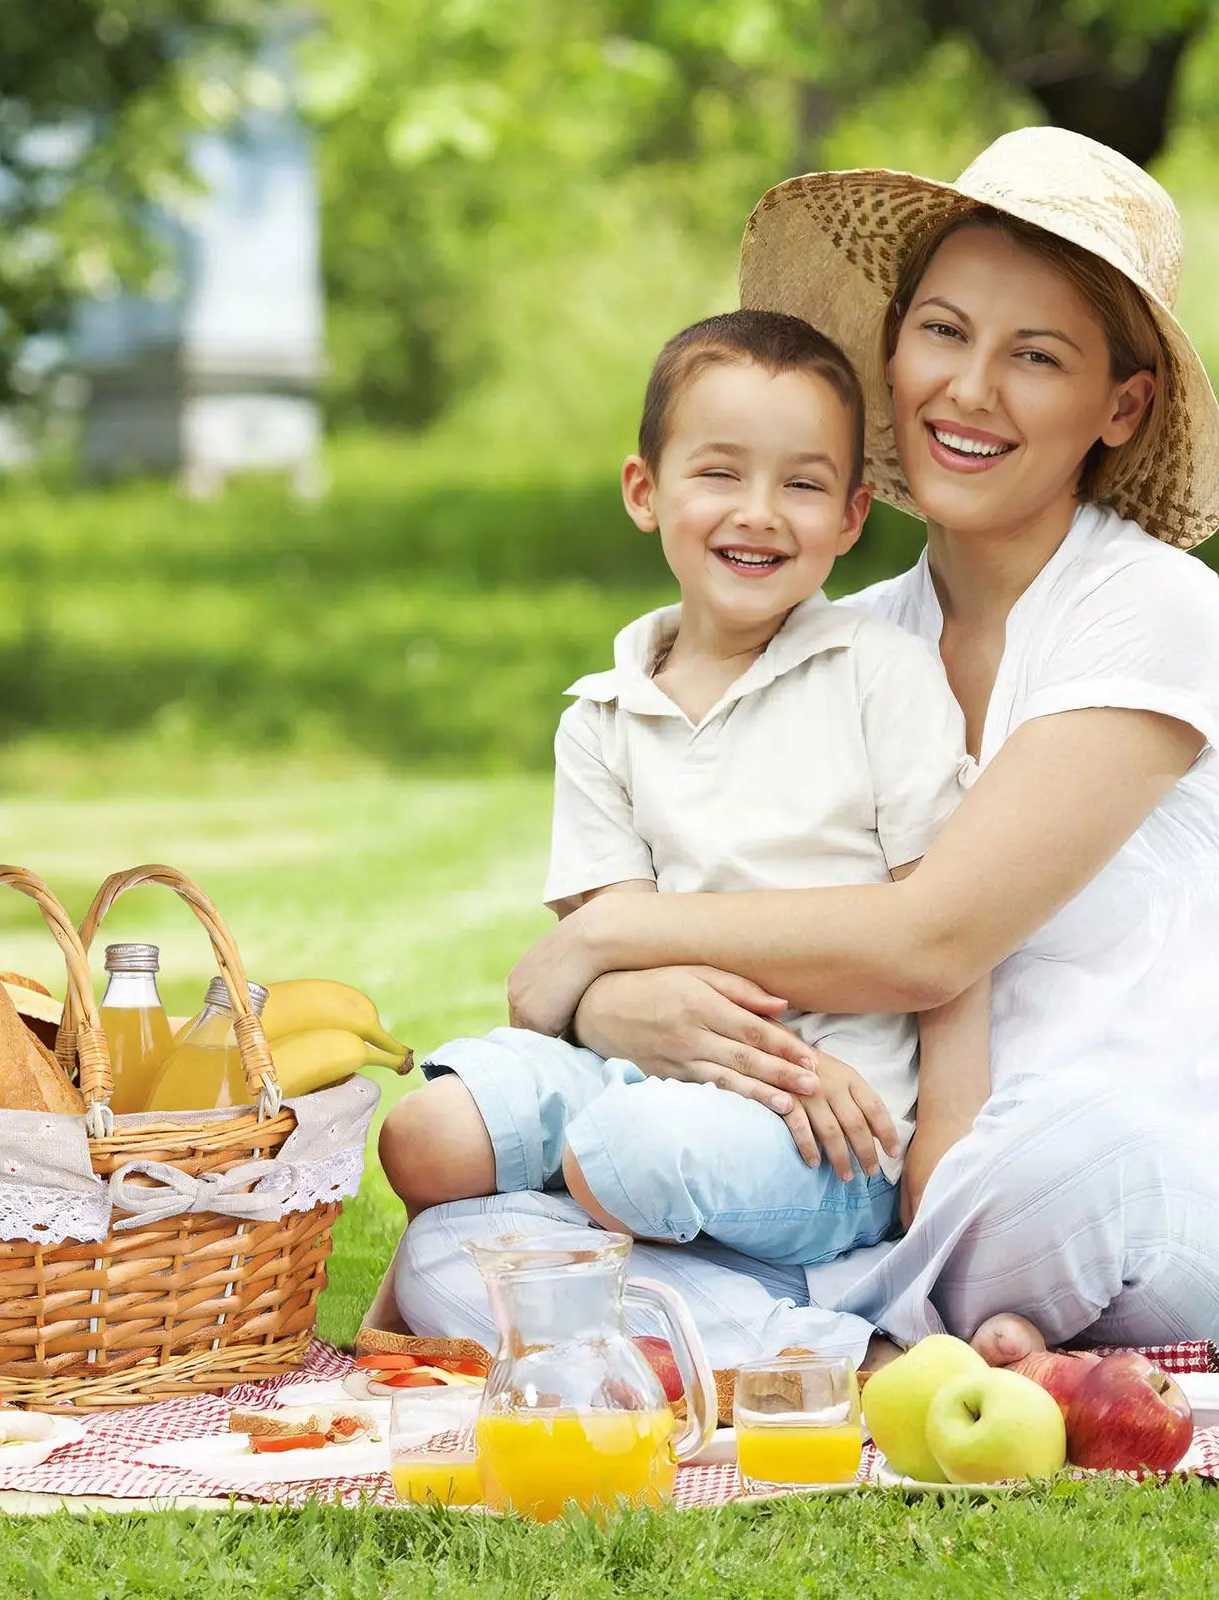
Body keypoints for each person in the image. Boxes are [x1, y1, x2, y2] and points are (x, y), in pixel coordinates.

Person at [382, 126, 1219, 1371]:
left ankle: (794, 1327)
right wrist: (625, 1000)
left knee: (1106, 1151)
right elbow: (696, 915)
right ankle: (866, 1346)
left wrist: (607, 939)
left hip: (1043, 1176)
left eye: (1034, 356)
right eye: (942, 332)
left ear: (1121, 405)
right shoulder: (843, 640)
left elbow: (933, 936)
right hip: (837, 1159)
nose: (969, 390)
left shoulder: (1149, 607)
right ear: (891, 352)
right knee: (455, 1251)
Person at [379, 309, 989, 1271]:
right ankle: (617, 1273)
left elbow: (948, 941)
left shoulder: (883, 673)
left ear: (850, 517)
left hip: (825, 1122)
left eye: (803, 482)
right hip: (640, 1064)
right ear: (644, 489)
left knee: (622, 1152)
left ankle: (618, 1269)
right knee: (428, 1133)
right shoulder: (602, 717)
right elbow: (614, 956)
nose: (759, 510)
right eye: (719, 472)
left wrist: (939, 1170)